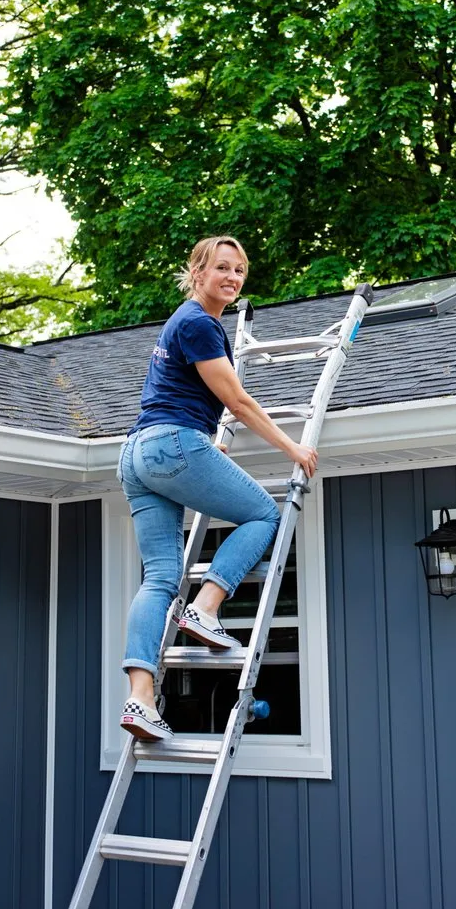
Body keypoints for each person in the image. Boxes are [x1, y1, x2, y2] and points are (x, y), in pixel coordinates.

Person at [116, 235, 318, 741]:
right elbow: (239, 402)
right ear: (199, 271)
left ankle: (140, 700)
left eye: (240, 271)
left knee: (160, 577)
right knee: (263, 515)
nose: (231, 278)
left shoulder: (179, 321)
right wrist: (292, 449)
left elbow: (174, 394)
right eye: (222, 268)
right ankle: (206, 608)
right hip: (172, 446)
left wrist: (201, 446)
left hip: (138, 453)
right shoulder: (201, 324)